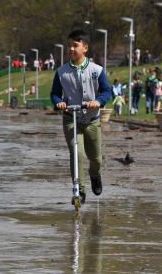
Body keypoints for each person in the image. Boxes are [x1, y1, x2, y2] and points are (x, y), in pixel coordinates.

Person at [50, 29, 111, 204]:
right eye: (68, 45)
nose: (71, 49)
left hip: (92, 120)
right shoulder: (61, 72)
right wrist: (58, 103)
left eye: (75, 45)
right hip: (71, 119)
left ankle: (95, 174)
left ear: (85, 48)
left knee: (96, 158)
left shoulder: (97, 70)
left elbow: (107, 91)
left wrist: (98, 101)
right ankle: (79, 190)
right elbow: (54, 94)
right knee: (76, 152)